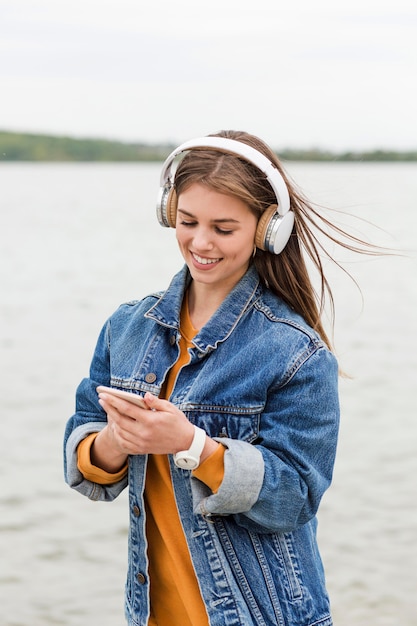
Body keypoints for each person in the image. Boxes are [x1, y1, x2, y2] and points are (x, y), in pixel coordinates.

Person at [65, 130, 360, 626]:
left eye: (223, 228)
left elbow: (295, 497)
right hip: (151, 613)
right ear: (168, 212)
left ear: (268, 230)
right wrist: (114, 441)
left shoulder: (295, 351)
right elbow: (84, 457)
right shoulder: (127, 327)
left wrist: (193, 446)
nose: (200, 242)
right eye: (187, 221)